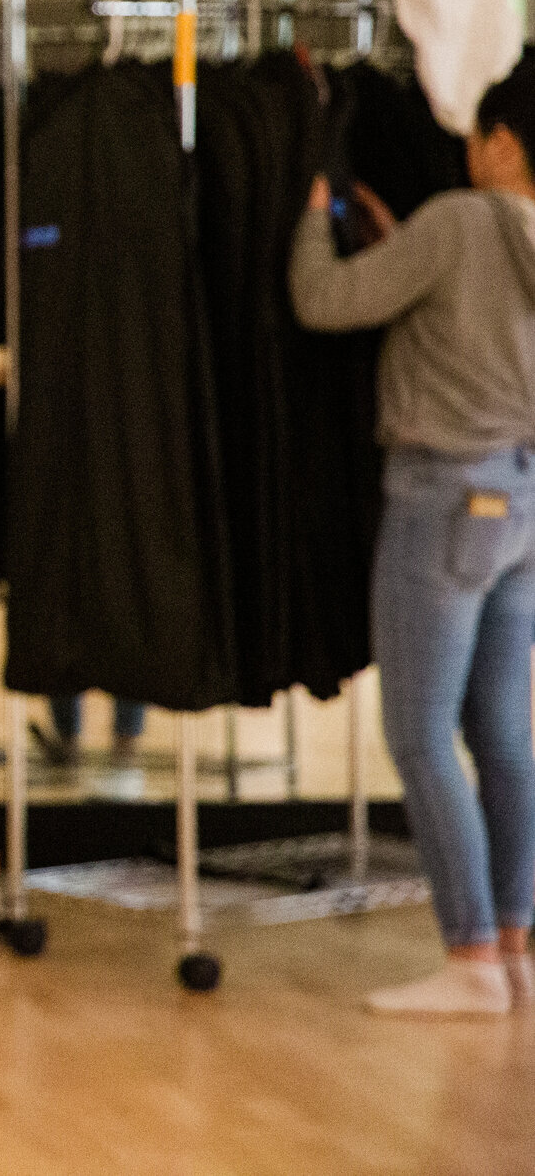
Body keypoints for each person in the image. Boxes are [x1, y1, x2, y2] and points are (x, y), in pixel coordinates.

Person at [290, 56, 535, 1018]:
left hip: (441, 495)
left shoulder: (461, 221)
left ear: (503, 141)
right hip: (520, 493)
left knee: (420, 733)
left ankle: (469, 953)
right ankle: (514, 940)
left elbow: (324, 300)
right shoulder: (502, 234)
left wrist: (313, 213)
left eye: (477, 136)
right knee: (504, 731)